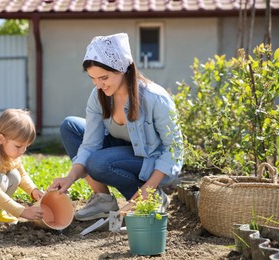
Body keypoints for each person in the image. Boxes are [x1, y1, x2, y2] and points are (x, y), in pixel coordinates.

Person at [49, 33, 184, 221]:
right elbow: (89, 145)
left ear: (122, 69)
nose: (98, 85)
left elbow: (174, 149)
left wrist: (148, 190)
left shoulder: (155, 98)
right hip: (120, 153)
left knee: (98, 162)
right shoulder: (99, 96)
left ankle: (151, 199)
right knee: (70, 126)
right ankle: (103, 200)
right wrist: (69, 178)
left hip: (152, 162)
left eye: (103, 77)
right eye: (93, 79)